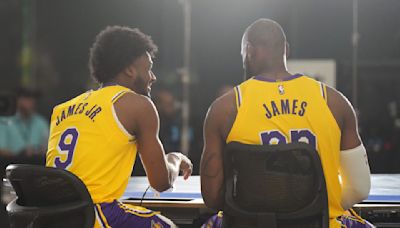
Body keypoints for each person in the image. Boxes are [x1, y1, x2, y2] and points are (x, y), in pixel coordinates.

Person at [200, 19, 373, 228]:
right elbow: (360, 188)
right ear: (286, 50)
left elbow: (212, 198)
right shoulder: (334, 102)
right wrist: (321, 207)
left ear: (248, 50)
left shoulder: (224, 109)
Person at [46, 26, 192, 228]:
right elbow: (161, 182)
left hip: (50, 216)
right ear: (130, 69)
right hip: (94, 213)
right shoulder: (138, 105)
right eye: (148, 68)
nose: (153, 76)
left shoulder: (62, 110)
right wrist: (175, 158)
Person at [0, 87, 49, 156]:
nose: (32, 101)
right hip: (9, 164)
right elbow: (1, 150)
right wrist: (21, 154)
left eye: (34, 97)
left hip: (37, 164)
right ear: (17, 100)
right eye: (27, 97)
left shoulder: (41, 122)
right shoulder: (4, 121)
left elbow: (49, 149)